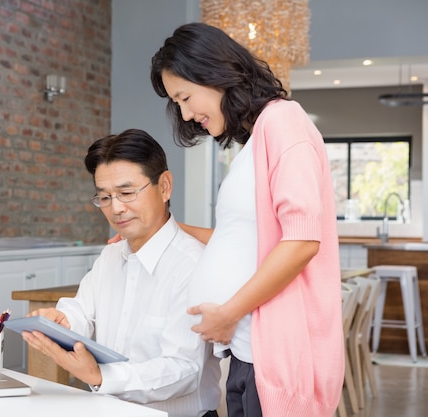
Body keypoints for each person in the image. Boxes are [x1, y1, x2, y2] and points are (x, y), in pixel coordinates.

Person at [149, 22, 344, 417]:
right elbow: (241, 240)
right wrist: (165, 230)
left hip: (273, 356)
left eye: (185, 97)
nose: (186, 114)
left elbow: (302, 240)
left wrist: (230, 312)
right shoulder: (255, 141)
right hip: (246, 352)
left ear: (214, 73)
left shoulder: (283, 120)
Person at [21, 128, 221, 417]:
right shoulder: (111, 256)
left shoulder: (192, 265)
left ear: (164, 187)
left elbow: (184, 370)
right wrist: (63, 321)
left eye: (127, 193)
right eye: (104, 197)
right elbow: (82, 310)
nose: (116, 209)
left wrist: (102, 377)